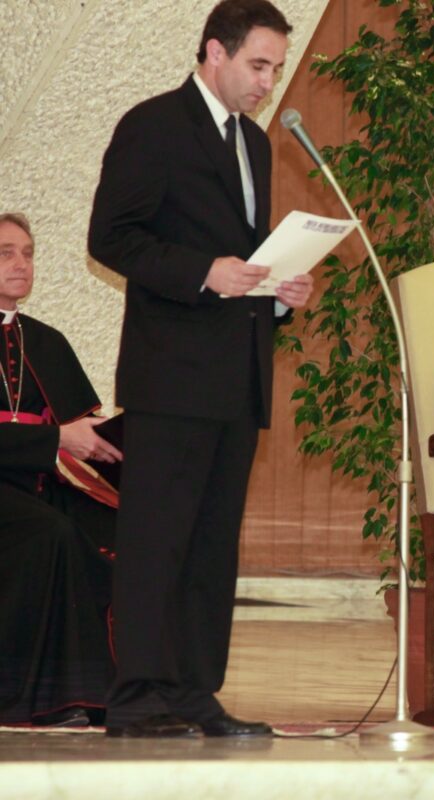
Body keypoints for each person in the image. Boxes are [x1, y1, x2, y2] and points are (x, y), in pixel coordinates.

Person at [87, 0, 313, 738]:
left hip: (235, 378)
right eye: (257, 65)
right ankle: (139, 697)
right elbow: (111, 237)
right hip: (171, 375)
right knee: (159, 542)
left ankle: (194, 693)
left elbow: (244, 260)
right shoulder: (153, 127)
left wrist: (278, 292)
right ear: (214, 52)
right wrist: (200, 273)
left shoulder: (253, 141)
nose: (267, 83)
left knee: (212, 547)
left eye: (276, 69)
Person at [0, 213, 119, 727]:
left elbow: (81, 425)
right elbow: (60, 435)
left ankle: (121, 692)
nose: (20, 263)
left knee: (118, 529)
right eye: (5, 252)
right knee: (52, 532)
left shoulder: (45, 340)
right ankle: (49, 696)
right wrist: (55, 439)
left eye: (27, 253)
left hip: (39, 484)